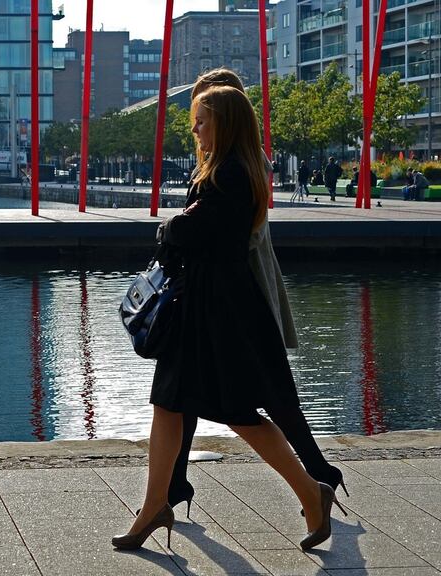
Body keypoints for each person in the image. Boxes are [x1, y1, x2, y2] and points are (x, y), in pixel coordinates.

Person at [112, 83, 345, 553]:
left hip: (219, 313)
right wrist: (177, 229)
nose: (194, 128)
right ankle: (155, 504)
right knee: (170, 404)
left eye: (201, 119)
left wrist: (172, 227)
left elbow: (192, 230)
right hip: (203, 309)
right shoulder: (228, 170)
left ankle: (310, 490)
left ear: (225, 122)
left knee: (237, 412)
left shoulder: (233, 173)